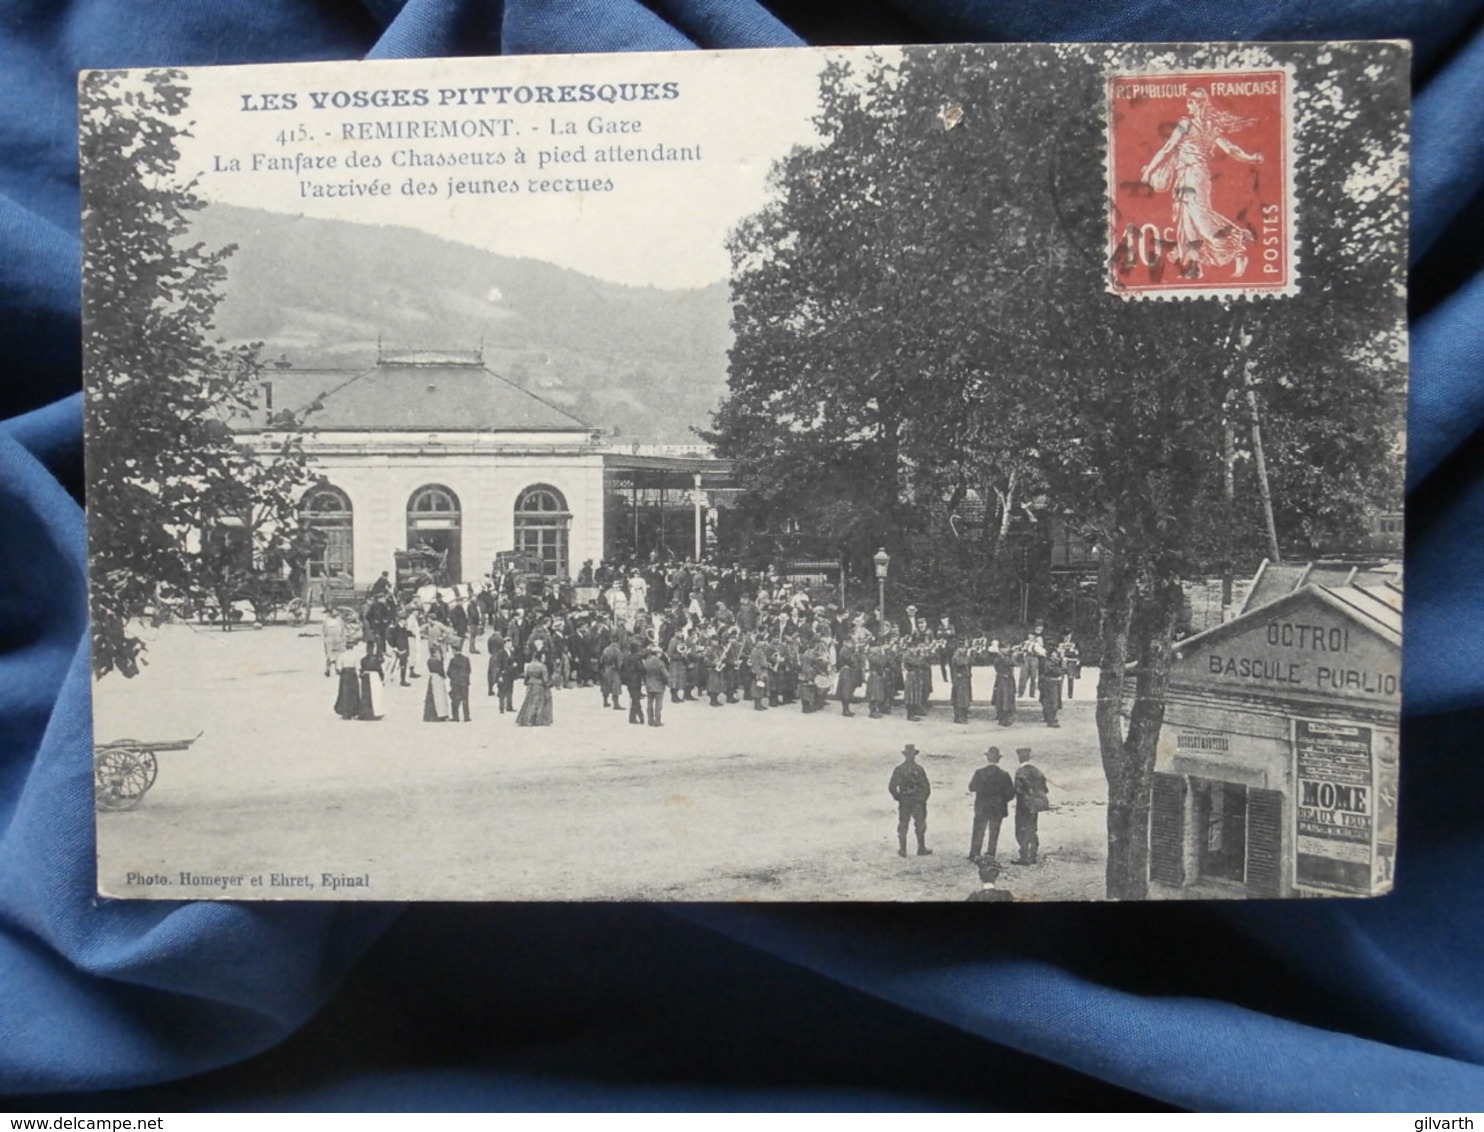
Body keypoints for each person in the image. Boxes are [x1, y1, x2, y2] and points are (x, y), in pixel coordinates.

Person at [1139, 88, 1263, 279]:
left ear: (1198, 104)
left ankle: (1238, 251)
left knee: (1200, 219)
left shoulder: (1186, 123)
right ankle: (1194, 268)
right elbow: (1232, 150)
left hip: (1193, 175)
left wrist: (1148, 171)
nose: (1187, 105)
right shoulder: (1211, 126)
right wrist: (1250, 158)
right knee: (1187, 222)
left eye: (1190, 102)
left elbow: (1167, 148)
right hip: (1188, 175)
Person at [967, 747, 1017, 861]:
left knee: (978, 830)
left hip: (982, 807)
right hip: (997, 808)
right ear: (998, 759)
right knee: (994, 832)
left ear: (987, 758)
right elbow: (1011, 793)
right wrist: (1002, 800)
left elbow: (971, 787)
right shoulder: (1004, 775)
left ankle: (974, 853)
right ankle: (991, 853)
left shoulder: (979, 773)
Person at [888, 744, 933, 858]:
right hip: (917, 801)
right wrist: (922, 798)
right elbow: (926, 786)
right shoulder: (919, 769)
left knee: (904, 825)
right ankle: (920, 848)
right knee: (919, 825)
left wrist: (899, 797)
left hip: (906, 801)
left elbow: (892, 786)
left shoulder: (899, 769)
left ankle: (903, 849)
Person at [1012, 747, 1050, 865]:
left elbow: (1017, 790)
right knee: (1032, 829)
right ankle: (1033, 855)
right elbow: (1045, 789)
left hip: (1023, 806)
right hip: (1035, 805)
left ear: (1019, 758)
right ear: (1029, 757)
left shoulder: (1020, 772)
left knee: (1021, 829)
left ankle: (1024, 856)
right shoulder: (1037, 771)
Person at [515, 649, 554, 727]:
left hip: (530, 686)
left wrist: (527, 683)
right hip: (539, 687)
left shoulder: (529, 665)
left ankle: (526, 720)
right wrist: (550, 683)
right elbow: (545, 679)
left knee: (528, 703)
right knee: (538, 704)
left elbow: (526, 678)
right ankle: (538, 720)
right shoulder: (542, 666)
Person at [642, 644, 670, 727]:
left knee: (649, 704)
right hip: (659, 686)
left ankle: (650, 720)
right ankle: (657, 721)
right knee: (658, 705)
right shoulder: (660, 662)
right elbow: (665, 674)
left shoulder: (646, 662)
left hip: (649, 685)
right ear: (657, 653)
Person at [621, 641, 647, 725]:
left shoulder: (626, 658)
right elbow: (642, 669)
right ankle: (635, 717)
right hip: (636, 681)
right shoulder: (635, 659)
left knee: (635, 699)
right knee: (636, 700)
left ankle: (639, 716)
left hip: (629, 681)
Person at [333, 643, 361, 720]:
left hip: (345, 674)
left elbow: (338, 668)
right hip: (352, 674)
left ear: (346, 646)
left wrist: (340, 672)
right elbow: (358, 667)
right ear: (352, 647)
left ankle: (345, 711)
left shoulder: (342, 655)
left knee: (344, 692)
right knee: (353, 692)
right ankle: (353, 711)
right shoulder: (356, 655)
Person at [991, 642, 1017, 727]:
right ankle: (1003, 718)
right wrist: (1013, 655)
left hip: (1007, 679)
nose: (1007, 650)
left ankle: (1005, 716)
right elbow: (1010, 663)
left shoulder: (1004, 656)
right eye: (1006, 648)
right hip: (1003, 679)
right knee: (1003, 698)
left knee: (1007, 697)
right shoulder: (999, 657)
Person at [357, 643, 385, 721]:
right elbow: (379, 669)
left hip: (367, 677)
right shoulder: (376, 660)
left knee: (367, 695)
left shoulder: (363, 660)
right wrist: (382, 677)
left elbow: (361, 670)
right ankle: (375, 713)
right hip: (374, 677)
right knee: (374, 695)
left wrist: (361, 675)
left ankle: (366, 713)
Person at [949, 640, 973, 724]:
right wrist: (968, 656)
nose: (965, 650)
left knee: (964, 697)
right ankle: (958, 717)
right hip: (959, 680)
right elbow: (963, 663)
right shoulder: (956, 656)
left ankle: (963, 714)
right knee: (959, 698)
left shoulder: (962, 655)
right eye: (963, 648)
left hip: (964, 679)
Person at [446, 643, 472, 722]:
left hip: (456, 683)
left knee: (455, 700)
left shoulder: (453, 660)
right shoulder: (466, 659)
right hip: (464, 682)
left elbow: (449, 672)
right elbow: (469, 670)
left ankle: (456, 717)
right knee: (465, 700)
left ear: (454, 650)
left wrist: (453, 678)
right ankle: (466, 717)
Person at [423, 647, 449, 722]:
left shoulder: (430, 660)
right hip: (437, 680)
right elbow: (440, 671)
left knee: (436, 696)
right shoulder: (435, 661)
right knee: (439, 697)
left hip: (434, 679)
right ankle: (441, 714)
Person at [494, 636, 519, 714]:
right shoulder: (501, 653)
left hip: (510, 674)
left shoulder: (511, 652)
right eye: (508, 643)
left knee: (510, 690)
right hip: (504, 674)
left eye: (510, 642)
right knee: (502, 691)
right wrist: (499, 676)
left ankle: (509, 706)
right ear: (505, 644)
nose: (510, 644)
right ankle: (501, 707)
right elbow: (498, 665)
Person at [1039, 647, 1063, 727]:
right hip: (1050, 682)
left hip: (1054, 682)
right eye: (1054, 654)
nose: (1056, 656)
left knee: (1054, 701)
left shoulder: (1054, 662)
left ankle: (1051, 718)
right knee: (1053, 701)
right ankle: (1051, 720)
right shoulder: (1049, 663)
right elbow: (1058, 671)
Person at [321, 608, 346, 677]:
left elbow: (343, 629)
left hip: (338, 639)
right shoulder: (326, 620)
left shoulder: (339, 620)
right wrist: (325, 639)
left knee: (338, 654)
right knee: (329, 655)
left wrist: (343, 638)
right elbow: (323, 630)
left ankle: (337, 668)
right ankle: (327, 669)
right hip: (329, 639)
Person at [1058, 631, 1081, 699]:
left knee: (1070, 679)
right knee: (1060, 679)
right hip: (1062, 662)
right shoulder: (1060, 644)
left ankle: (1070, 695)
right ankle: (1059, 695)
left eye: (1067, 636)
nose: (1066, 638)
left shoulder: (1074, 644)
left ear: (1070, 636)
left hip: (1071, 662)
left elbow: (1078, 653)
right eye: (1065, 636)